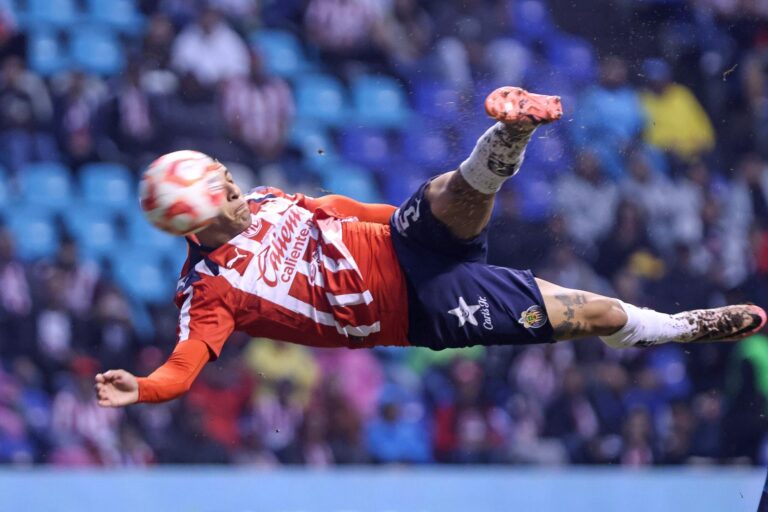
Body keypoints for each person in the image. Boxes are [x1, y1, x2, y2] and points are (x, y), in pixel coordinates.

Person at [94, 86, 767, 407]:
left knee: (447, 189)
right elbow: (185, 365)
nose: (235, 185)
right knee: (591, 315)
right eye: (220, 189)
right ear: (193, 223)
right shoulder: (209, 290)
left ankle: (514, 128)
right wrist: (143, 388)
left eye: (226, 174)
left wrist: (431, 225)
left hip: (409, 241)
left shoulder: (270, 197)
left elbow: (350, 210)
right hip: (426, 306)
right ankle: (681, 328)